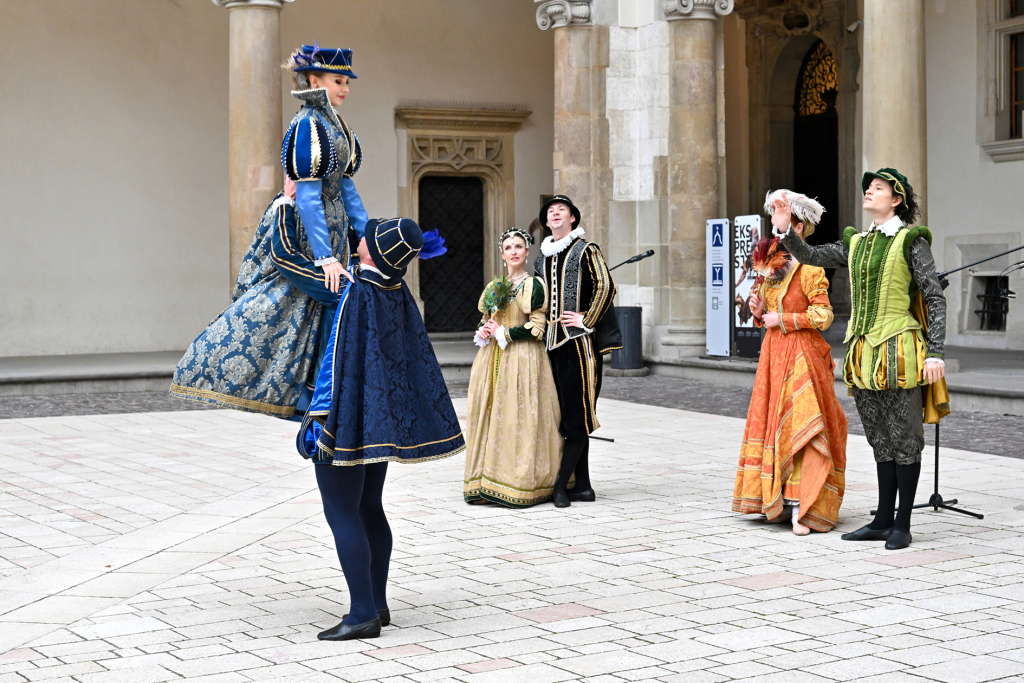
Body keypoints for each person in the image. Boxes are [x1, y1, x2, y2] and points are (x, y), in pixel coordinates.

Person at [171, 44, 369, 418]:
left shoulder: (339, 127)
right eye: (338, 81)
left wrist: (368, 238)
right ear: (314, 80)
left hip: (331, 237)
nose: (345, 88)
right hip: (302, 237)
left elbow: (347, 192)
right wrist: (325, 257)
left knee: (328, 305)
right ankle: (319, 395)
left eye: (347, 82)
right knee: (335, 297)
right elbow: (307, 197)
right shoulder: (308, 124)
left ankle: (321, 394)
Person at [298, 217, 463, 641]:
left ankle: (361, 615)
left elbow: (335, 363)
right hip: (377, 420)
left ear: (373, 250)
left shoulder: (354, 290)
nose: (360, 238)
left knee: (342, 512)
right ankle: (377, 604)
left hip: (346, 420)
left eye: (367, 237)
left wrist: (318, 421)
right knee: (370, 506)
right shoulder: (395, 289)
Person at [777, 169, 949, 550]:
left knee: (905, 438)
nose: (869, 192)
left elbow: (934, 297)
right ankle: (882, 519)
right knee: (879, 439)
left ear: (896, 200)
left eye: (878, 188)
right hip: (864, 354)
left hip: (899, 351)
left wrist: (936, 352)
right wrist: (786, 228)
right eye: (868, 188)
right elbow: (810, 255)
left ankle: (902, 524)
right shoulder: (856, 242)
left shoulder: (910, 241)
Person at [732, 191, 848, 535]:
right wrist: (758, 311)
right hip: (774, 355)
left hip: (801, 356)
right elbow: (764, 310)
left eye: (779, 219)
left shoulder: (811, 268)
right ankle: (779, 500)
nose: (772, 225)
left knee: (802, 427)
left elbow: (824, 316)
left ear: (797, 227)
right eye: (772, 219)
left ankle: (803, 506)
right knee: (775, 425)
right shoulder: (772, 263)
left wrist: (783, 319)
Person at [463, 228, 563, 507]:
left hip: (522, 359)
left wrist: (504, 333)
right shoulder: (494, 287)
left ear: (527, 252)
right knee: (492, 414)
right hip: (492, 359)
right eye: (509, 248)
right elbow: (486, 319)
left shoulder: (533, 285)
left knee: (518, 415)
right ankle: (486, 483)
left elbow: (538, 328)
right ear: (503, 254)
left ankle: (519, 483)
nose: (514, 251)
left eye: (519, 246)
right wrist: (484, 331)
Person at [535, 195, 619, 508]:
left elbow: (606, 286)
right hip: (551, 345)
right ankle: (582, 486)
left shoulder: (587, 249)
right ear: (546, 222)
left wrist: (587, 319)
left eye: (562, 210)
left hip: (579, 345)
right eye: (551, 211)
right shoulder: (541, 259)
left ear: (572, 219)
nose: (555, 213)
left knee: (577, 416)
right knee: (567, 416)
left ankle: (561, 487)